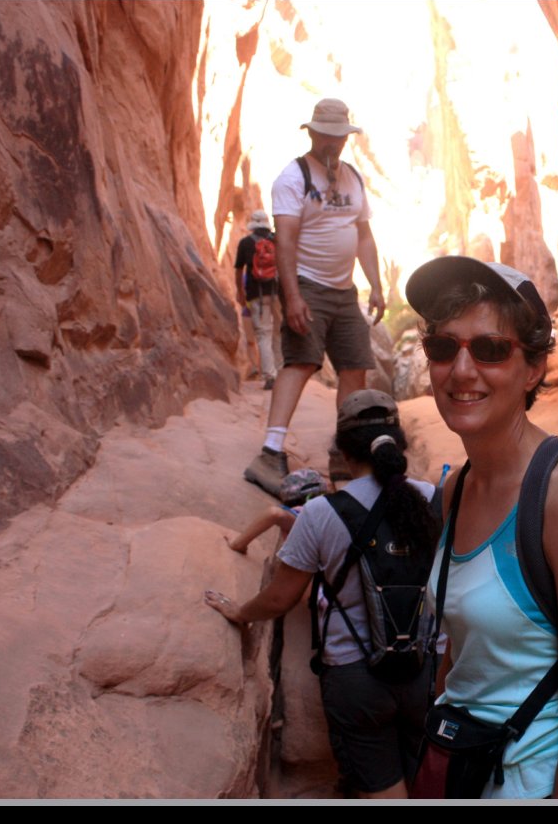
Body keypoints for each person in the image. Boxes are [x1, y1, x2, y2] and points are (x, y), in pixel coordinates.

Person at [405, 256, 558, 799]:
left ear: (533, 369)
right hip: (464, 769)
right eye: (443, 347)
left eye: (489, 349)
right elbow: (462, 650)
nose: (461, 370)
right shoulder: (457, 490)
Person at [206, 390, 438, 799]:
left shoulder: (321, 513)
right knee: (425, 781)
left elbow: (279, 599)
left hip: (356, 677)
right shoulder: (432, 498)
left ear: (343, 452)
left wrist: (239, 613)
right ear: (397, 443)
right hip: (426, 668)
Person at [244, 98, 385, 496]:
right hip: (307, 285)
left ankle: (345, 451)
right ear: (312, 133)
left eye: (339, 137)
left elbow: (363, 235)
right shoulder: (293, 178)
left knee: (355, 368)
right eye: (326, 135)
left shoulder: (353, 178)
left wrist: (376, 285)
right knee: (301, 362)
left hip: (344, 291)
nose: (332, 143)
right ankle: (270, 453)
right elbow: (285, 241)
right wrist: (292, 297)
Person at [235, 210, 280, 389]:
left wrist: (240, 291)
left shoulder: (245, 243)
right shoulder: (276, 240)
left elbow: (239, 270)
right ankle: (281, 371)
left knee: (263, 334)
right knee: (279, 331)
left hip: (256, 295)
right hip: (278, 293)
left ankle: (270, 375)